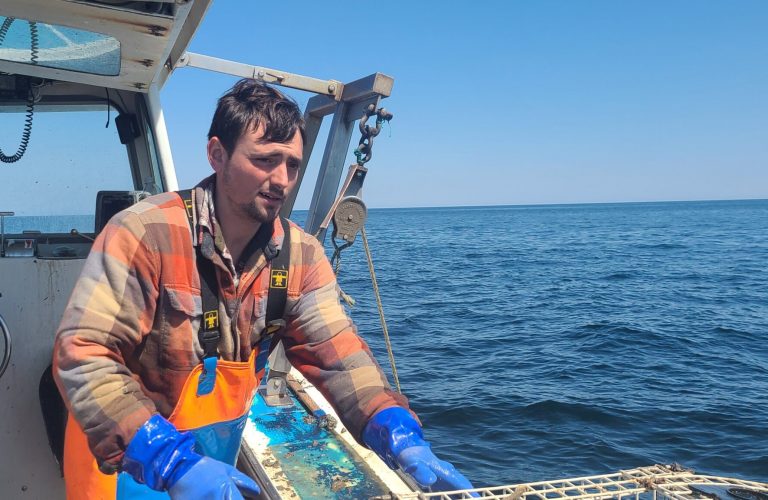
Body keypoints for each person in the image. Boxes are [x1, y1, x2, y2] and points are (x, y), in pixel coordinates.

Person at [53, 79, 474, 499]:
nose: (282, 179)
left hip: (214, 462)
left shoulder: (300, 256)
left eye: (292, 164)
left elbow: (336, 351)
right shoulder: (144, 234)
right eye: (265, 159)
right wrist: (167, 459)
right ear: (217, 154)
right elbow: (84, 355)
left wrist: (392, 425)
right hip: (128, 461)